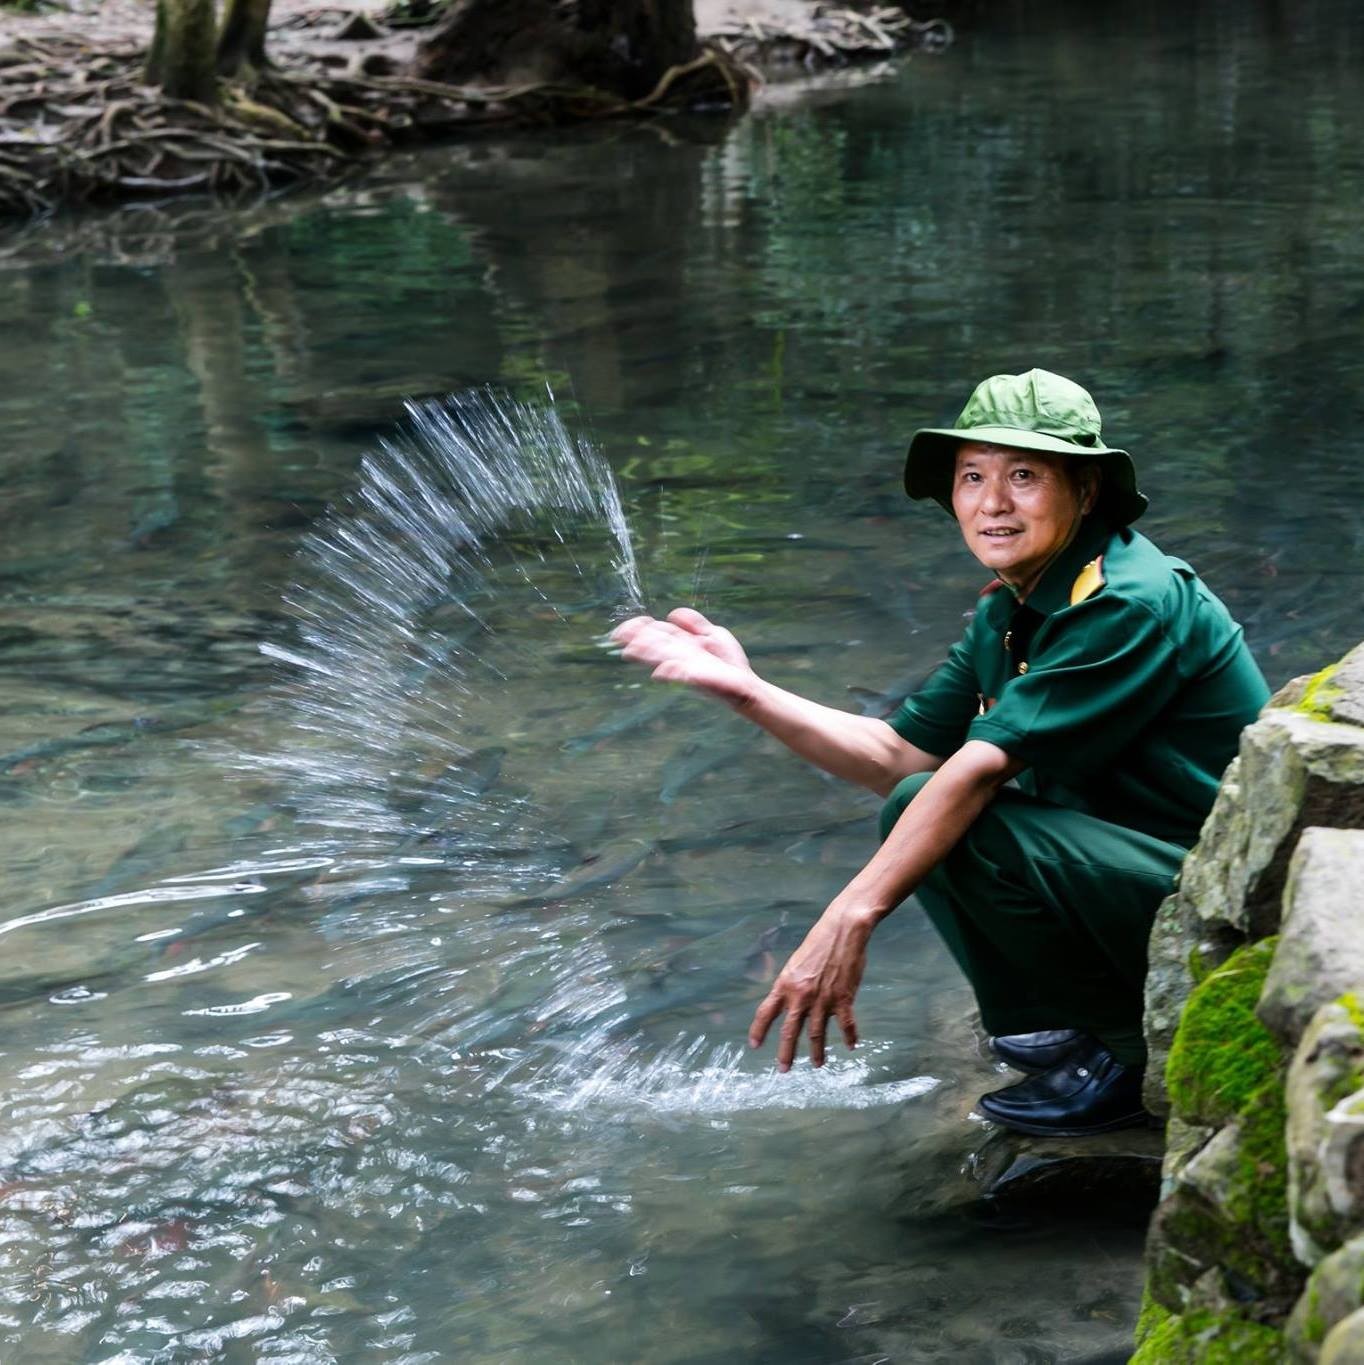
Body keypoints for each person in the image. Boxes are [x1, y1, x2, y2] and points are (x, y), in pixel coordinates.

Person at [611, 369, 1268, 1137]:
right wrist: (747, 689)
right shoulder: (1016, 603)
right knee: (915, 803)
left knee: (966, 823)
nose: (993, 503)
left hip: (1218, 902)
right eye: (973, 477)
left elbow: (975, 768)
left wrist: (848, 916)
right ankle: (1079, 1015)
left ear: (1086, 490)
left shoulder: (1126, 600)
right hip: (1138, 869)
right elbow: (900, 753)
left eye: (1024, 475)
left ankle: (1133, 1053)